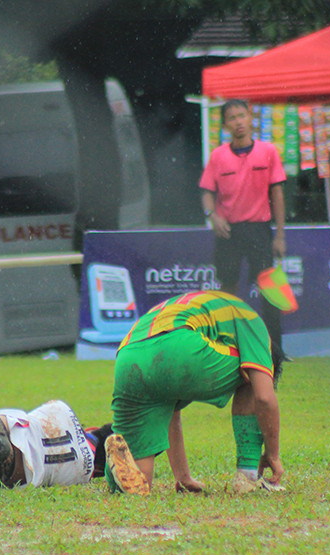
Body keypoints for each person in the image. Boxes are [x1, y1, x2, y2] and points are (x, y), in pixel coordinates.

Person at [104, 290, 285, 496]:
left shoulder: (199, 303)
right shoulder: (254, 323)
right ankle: (248, 475)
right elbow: (264, 397)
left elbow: (172, 413)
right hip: (180, 344)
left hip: (128, 355)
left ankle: (118, 473)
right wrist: (272, 454)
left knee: (139, 480)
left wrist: (183, 477)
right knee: (252, 372)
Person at [199, 99, 287, 358]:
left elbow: (278, 194)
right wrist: (212, 216)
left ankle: (276, 351)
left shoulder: (268, 152)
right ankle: (225, 347)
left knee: (270, 291)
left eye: (242, 116)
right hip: (228, 232)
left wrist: (280, 234)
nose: (238, 122)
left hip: (260, 229)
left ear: (251, 118)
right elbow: (206, 193)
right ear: (225, 124)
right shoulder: (218, 156)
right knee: (227, 289)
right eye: (232, 118)